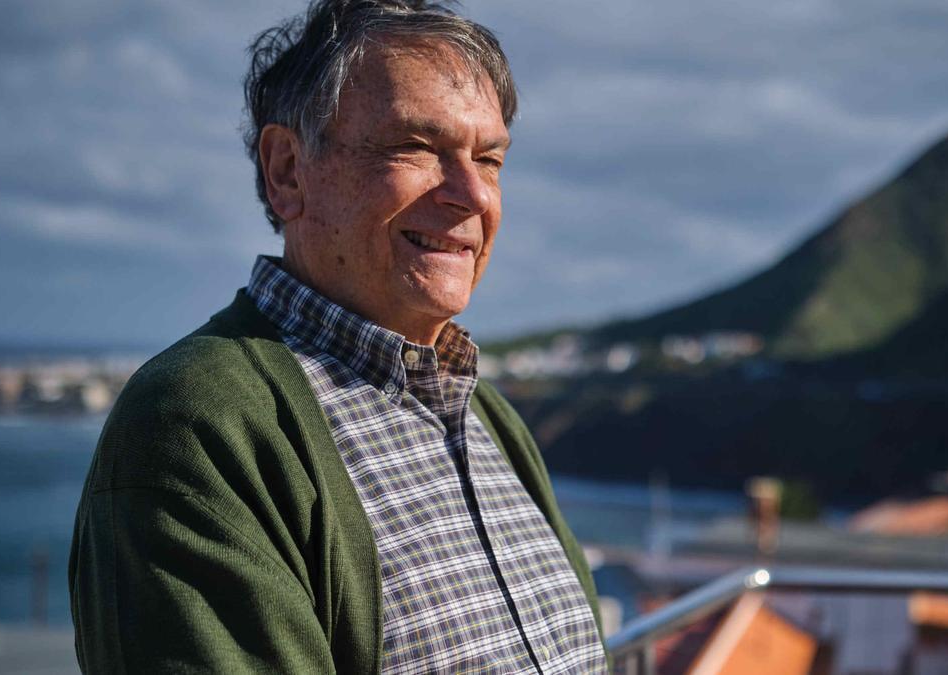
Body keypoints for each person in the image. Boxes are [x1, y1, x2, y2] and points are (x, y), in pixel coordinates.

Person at [67, 1, 609, 672]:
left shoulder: (486, 415)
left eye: (489, 158)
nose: (473, 194)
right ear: (288, 170)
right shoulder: (197, 423)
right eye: (415, 146)